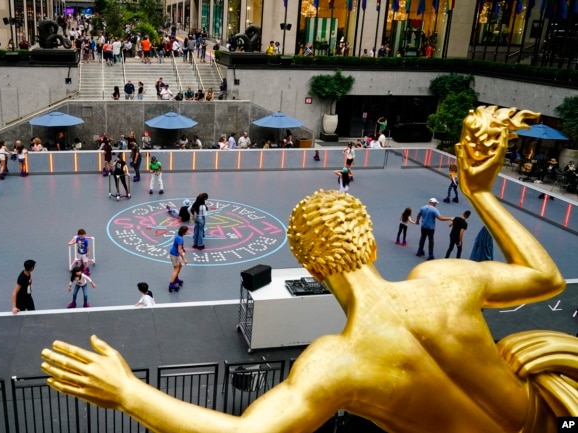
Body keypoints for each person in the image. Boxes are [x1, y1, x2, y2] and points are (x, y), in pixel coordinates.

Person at [41, 106, 575, 433]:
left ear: (312, 269)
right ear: (367, 237)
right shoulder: (447, 280)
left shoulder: (337, 363)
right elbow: (545, 277)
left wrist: (129, 392)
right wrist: (482, 193)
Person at [168, 225, 188, 292]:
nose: (187, 232)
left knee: (180, 265)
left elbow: (179, 246)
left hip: (173, 253)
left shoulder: (178, 236)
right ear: (183, 232)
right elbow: (179, 250)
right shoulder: (180, 239)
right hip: (174, 255)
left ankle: (176, 278)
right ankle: (171, 284)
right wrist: (184, 258)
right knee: (176, 269)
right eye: (187, 231)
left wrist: (183, 248)